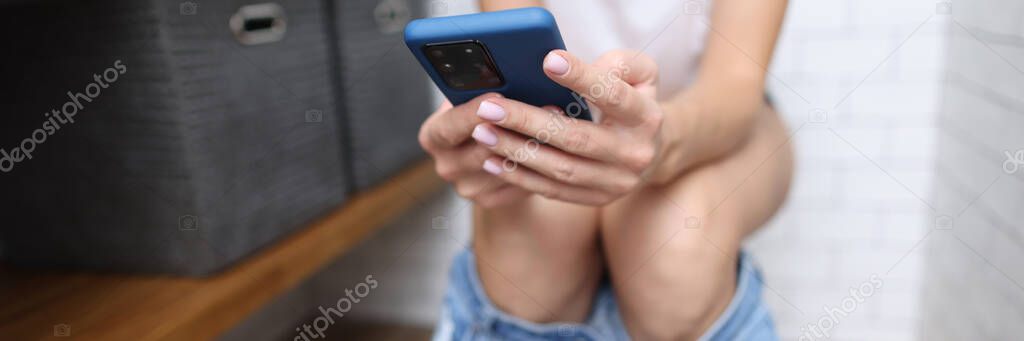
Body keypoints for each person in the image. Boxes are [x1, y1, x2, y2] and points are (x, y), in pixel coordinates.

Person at [419, 0, 792, 339]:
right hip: (558, 117)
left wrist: (661, 142)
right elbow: (506, 53)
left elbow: (735, 84)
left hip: (702, 116)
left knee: (679, 251)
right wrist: (487, 134)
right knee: (530, 265)